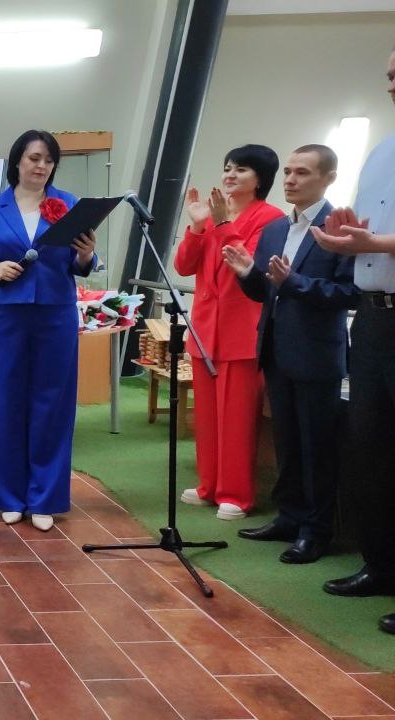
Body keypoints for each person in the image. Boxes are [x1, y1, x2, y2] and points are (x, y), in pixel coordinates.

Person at [0, 130, 97, 532]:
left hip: (55, 313)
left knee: (53, 402)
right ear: (17, 161)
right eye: (34, 158)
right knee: (5, 401)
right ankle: (9, 496)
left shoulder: (69, 204)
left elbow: (82, 263)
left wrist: (87, 255)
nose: (41, 166)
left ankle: (45, 498)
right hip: (6, 315)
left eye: (49, 160)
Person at [222, 144, 358, 564]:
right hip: (277, 348)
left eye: (302, 173)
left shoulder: (340, 227)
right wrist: (247, 273)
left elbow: (349, 292)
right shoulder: (277, 229)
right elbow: (266, 291)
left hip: (316, 354)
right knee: (287, 440)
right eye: (288, 172)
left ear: (328, 178)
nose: (290, 180)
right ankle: (290, 516)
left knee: (317, 446)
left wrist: (295, 282)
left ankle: (316, 531)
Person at [309, 48, 395, 634]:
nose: (391, 83)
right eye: (388, 74)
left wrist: (371, 245)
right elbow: (369, 230)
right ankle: (381, 566)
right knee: (371, 449)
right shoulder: (383, 150)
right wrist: (350, 237)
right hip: (373, 318)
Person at [174, 144, 285, 521]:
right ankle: (209, 485)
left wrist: (222, 225)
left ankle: (236, 493)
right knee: (206, 415)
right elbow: (184, 266)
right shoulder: (210, 213)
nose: (230, 174)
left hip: (242, 331)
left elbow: (248, 267)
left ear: (260, 179)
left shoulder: (270, 219)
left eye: (241, 169)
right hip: (205, 329)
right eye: (227, 167)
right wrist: (196, 226)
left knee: (237, 418)